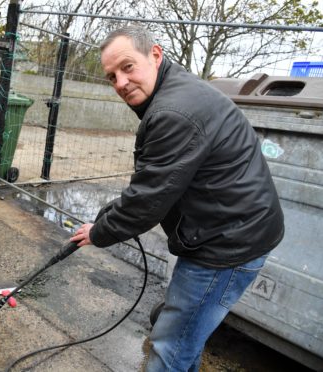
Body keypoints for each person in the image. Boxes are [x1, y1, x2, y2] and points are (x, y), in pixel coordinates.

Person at [70, 25, 284, 372]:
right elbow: (155, 185)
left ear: (155, 55)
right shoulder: (174, 91)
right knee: (185, 338)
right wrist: (104, 218)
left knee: (170, 347)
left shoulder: (174, 111)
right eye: (111, 77)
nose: (120, 83)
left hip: (226, 244)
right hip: (230, 228)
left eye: (127, 67)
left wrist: (99, 232)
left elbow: (146, 202)